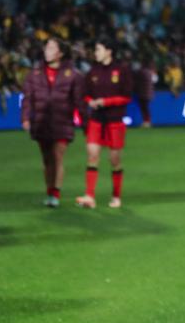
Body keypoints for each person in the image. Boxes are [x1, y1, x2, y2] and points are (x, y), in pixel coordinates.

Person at [21, 37, 81, 207]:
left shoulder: (73, 75)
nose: (47, 51)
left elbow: (79, 100)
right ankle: (49, 191)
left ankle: (55, 193)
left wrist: (84, 120)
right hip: (42, 121)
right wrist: (25, 117)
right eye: (47, 47)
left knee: (57, 157)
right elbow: (27, 98)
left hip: (62, 121)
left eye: (51, 48)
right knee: (47, 159)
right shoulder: (35, 74)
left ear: (60, 53)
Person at [76, 37, 133, 209]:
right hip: (96, 120)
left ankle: (116, 196)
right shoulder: (93, 72)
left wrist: (106, 102)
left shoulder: (122, 70)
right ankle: (89, 196)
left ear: (109, 51)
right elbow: (85, 94)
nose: (95, 53)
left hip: (115, 121)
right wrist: (91, 101)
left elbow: (127, 97)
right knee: (92, 155)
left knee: (114, 159)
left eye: (98, 49)